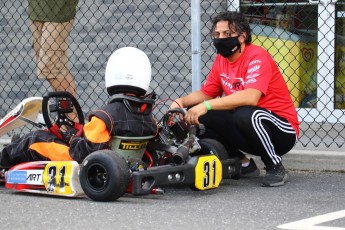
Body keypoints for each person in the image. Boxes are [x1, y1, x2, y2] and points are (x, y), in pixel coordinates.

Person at [170, 11, 299, 187]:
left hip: (282, 131)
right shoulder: (221, 60)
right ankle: (243, 163)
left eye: (227, 34)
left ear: (242, 37)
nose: (220, 38)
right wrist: (181, 102)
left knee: (246, 113)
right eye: (217, 35)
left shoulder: (257, 56)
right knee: (200, 117)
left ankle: (274, 165)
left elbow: (251, 96)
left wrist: (206, 105)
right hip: (248, 130)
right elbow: (208, 92)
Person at [0, 47, 157, 171]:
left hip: (80, 160)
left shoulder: (104, 117)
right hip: (122, 162)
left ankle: (3, 162)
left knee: (34, 139)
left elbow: (85, 152)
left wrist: (70, 137)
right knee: (67, 131)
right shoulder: (148, 117)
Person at [29, 0, 79, 97]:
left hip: (59, 11)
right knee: (59, 70)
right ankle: (73, 110)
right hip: (35, 10)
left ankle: (71, 112)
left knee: (49, 68)